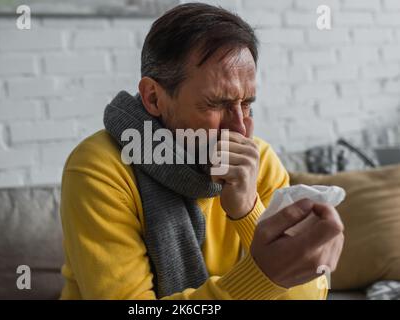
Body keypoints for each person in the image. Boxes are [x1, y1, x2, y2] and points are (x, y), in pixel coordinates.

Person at [59, 3, 344, 300]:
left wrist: (248, 212)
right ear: (154, 98)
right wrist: (262, 277)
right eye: (216, 104)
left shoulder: (259, 161)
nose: (240, 129)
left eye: (246, 104)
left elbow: (309, 297)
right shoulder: (98, 169)